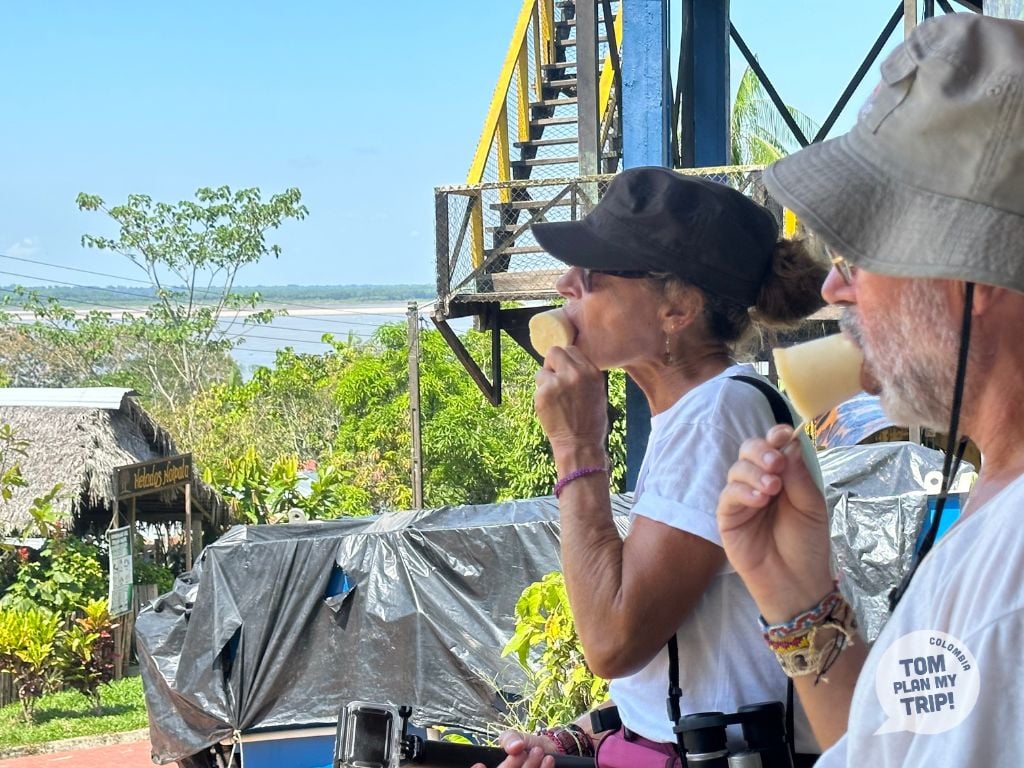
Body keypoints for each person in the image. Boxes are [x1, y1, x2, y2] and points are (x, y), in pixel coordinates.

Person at [715, 13, 1024, 766]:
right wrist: (795, 595)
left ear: (971, 273)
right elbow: (889, 743)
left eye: (855, 256)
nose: (833, 287)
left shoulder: (1012, 573)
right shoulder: (997, 511)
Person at [476, 166, 826, 768]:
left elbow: (613, 642)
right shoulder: (695, 415)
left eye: (591, 274)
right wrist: (577, 737)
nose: (566, 283)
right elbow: (686, 668)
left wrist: (578, 448)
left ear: (678, 309)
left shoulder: (719, 412)